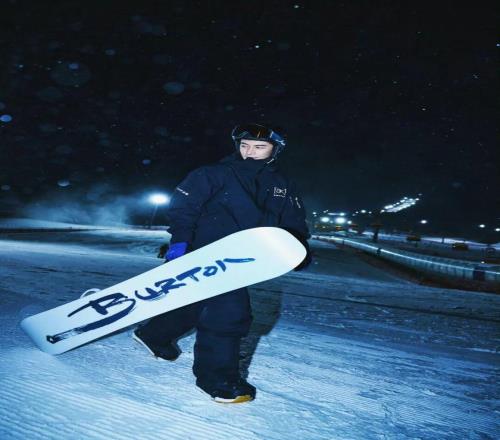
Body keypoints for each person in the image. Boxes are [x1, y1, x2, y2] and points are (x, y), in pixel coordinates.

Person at [133, 123, 311, 403]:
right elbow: (183, 208)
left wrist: (297, 248)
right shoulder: (213, 174)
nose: (250, 152)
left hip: (246, 257)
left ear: (275, 150)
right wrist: (180, 242)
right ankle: (218, 380)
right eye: (244, 145)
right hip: (206, 253)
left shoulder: (282, 184)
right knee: (230, 313)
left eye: (260, 147)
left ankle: (154, 335)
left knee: (196, 302)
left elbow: (293, 220)